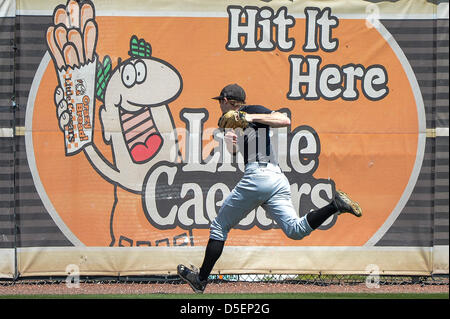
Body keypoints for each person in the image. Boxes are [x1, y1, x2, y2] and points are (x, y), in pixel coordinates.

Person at [177, 83, 362, 293]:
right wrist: (230, 141)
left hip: (259, 175)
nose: (219, 105)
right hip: (274, 177)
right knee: (295, 230)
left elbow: (284, 119)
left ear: (226, 101)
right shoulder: (233, 122)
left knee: (219, 226)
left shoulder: (251, 110)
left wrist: (249, 118)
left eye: (220, 101)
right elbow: (236, 152)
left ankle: (201, 279)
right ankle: (335, 205)